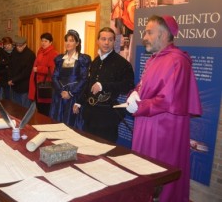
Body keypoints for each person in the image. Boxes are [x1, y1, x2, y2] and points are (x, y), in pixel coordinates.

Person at [126, 15, 202, 202]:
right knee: (143, 167)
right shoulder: (154, 58)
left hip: (164, 128)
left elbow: (169, 99)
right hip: (147, 122)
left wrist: (141, 105)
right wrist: (135, 93)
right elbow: (145, 85)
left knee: (160, 171)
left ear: (164, 34)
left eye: (149, 32)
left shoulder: (178, 61)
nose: (144, 37)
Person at [73, 27, 134, 142]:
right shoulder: (95, 61)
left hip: (107, 117)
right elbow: (89, 84)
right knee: (88, 147)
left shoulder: (122, 63)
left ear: (114, 42)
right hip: (90, 115)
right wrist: (79, 101)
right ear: (98, 41)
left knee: (105, 151)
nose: (106, 42)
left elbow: (128, 85)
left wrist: (104, 85)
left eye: (110, 40)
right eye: (103, 39)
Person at [49, 30, 91, 129]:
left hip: (74, 96)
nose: (68, 43)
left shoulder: (82, 59)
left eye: (71, 41)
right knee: (57, 123)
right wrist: (61, 91)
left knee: (71, 124)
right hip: (60, 96)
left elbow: (84, 79)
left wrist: (70, 93)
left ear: (77, 43)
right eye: (66, 40)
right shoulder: (60, 59)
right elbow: (54, 76)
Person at [28, 32, 58, 116]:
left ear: (50, 42)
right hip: (37, 85)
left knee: (46, 111)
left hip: (46, 86)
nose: (43, 43)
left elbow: (53, 70)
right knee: (39, 109)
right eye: (42, 41)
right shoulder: (40, 51)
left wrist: (39, 69)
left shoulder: (54, 53)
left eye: (46, 41)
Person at [8, 36, 35, 108]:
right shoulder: (14, 52)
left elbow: (27, 72)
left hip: (24, 87)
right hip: (14, 86)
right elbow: (10, 66)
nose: (18, 48)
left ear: (25, 45)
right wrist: (10, 78)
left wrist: (14, 80)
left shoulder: (30, 54)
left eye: (21, 46)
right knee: (15, 109)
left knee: (24, 109)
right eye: (17, 46)